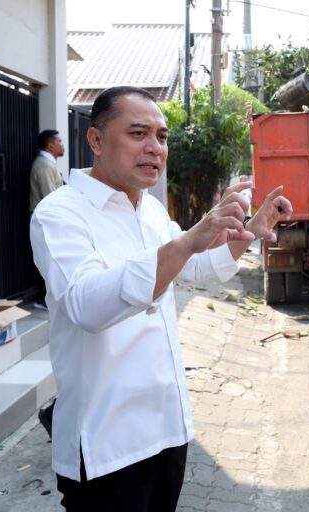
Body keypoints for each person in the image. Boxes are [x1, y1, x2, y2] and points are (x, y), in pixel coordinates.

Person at [30, 85, 292, 511]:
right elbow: (85, 305)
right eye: (138, 134)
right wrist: (188, 240)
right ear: (96, 140)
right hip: (105, 444)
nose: (155, 147)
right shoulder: (60, 213)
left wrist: (248, 235)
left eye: (162, 136)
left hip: (166, 429)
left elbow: (194, 268)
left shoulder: (149, 209)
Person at [29, 129, 65, 312]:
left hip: (50, 218)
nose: (62, 144)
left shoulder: (48, 163)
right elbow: (49, 197)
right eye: (59, 141)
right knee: (47, 257)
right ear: (50, 145)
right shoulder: (43, 165)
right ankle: (42, 299)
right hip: (45, 220)